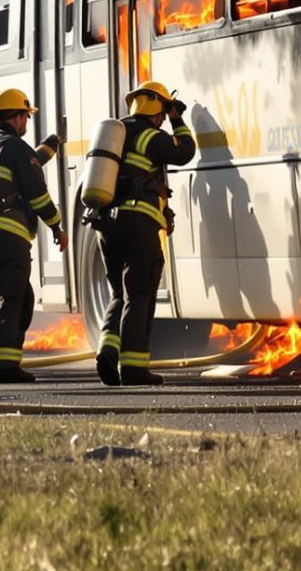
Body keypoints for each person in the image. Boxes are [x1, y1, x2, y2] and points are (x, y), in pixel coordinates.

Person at [94, 80, 195, 387]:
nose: (164, 117)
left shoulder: (117, 136)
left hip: (107, 226)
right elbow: (185, 153)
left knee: (119, 294)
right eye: (163, 111)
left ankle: (107, 351)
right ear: (154, 109)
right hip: (138, 225)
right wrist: (179, 120)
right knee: (140, 294)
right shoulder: (151, 137)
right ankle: (134, 368)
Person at [0, 87, 63, 384]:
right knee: (13, 298)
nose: (26, 122)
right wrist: (56, 226)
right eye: (26, 116)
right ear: (18, 117)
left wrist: (50, 147)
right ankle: (5, 367)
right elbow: (37, 194)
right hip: (9, 235)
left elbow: (26, 164)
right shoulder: (15, 147)